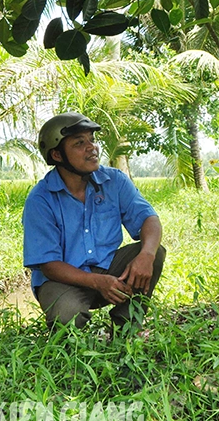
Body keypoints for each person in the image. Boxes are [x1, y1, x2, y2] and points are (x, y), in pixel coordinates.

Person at [22, 112, 166, 330]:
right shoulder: (41, 199)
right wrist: (97, 282)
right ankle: (70, 354)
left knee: (153, 253)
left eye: (92, 140)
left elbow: (148, 218)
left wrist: (146, 255)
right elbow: (49, 266)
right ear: (57, 155)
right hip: (63, 281)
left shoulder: (114, 181)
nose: (92, 148)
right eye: (80, 143)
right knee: (67, 314)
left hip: (109, 269)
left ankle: (125, 332)